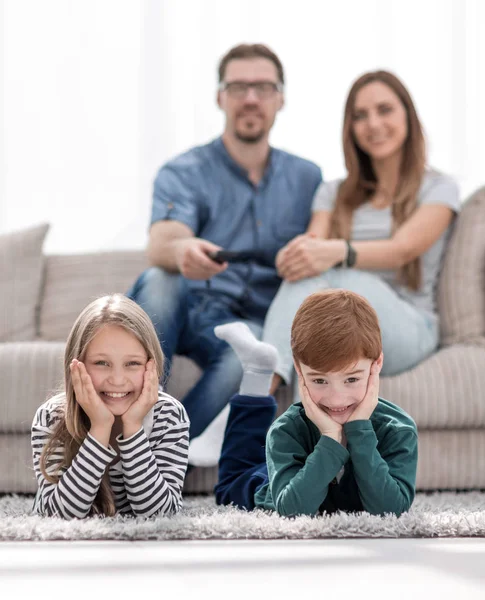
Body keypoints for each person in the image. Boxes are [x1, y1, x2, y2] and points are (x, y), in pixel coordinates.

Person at [126, 43, 322, 464]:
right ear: (220, 97)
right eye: (238, 86)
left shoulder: (309, 179)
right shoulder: (185, 170)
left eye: (263, 87)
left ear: (280, 98)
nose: (251, 98)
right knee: (161, 278)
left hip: (253, 322)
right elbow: (160, 241)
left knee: (250, 352)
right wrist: (182, 249)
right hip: (196, 308)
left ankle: (152, 460)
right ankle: (133, 414)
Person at [262, 70, 461, 395]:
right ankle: (306, 440)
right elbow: (312, 249)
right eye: (360, 116)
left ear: (407, 116)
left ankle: (254, 398)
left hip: (409, 327)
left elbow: (403, 249)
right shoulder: (332, 192)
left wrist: (339, 252)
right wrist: (293, 257)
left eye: (384, 110)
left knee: (332, 291)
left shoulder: (439, 188)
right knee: (318, 308)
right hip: (340, 321)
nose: (373, 123)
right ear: (350, 129)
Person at [214, 289, 418, 517]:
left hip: (300, 466)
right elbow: (292, 512)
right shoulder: (286, 430)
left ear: (376, 364)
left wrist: (359, 430)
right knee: (229, 487)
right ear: (299, 370)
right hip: (272, 482)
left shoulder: (398, 429)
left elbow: (392, 511)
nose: (336, 399)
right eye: (320, 380)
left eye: (352, 379)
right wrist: (331, 437)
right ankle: (256, 375)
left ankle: (260, 368)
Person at [31, 294, 189, 519]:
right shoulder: (51, 417)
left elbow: (159, 515)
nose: (117, 379)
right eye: (101, 363)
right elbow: (60, 516)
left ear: (151, 366)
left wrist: (133, 427)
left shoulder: (169, 416)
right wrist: (100, 428)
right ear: (76, 366)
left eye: (132, 364)